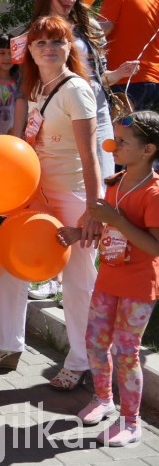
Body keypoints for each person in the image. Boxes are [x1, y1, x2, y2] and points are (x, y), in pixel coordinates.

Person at [0, 15, 102, 390]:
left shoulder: (76, 89)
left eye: (57, 42)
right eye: (40, 43)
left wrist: (95, 210)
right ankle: (7, 344)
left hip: (72, 197)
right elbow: (21, 145)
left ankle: (81, 360)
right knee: (12, 267)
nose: (49, 48)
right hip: (34, 193)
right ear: (28, 50)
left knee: (78, 282)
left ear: (69, 47)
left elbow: (90, 154)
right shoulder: (33, 88)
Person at [69, 110, 159, 447]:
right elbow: (109, 227)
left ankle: (131, 421)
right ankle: (103, 398)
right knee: (95, 341)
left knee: (125, 351)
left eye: (122, 142)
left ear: (148, 150)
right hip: (109, 278)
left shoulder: (154, 193)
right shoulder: (116, 182)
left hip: (138, 285)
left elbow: (154, 245)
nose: (113, 146)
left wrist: (116, 220)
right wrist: (79, 232)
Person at [32, 0, 134, 180]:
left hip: (95, 102)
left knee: (103, 169)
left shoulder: (88, 27)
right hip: (57, 105)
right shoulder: (37, 30)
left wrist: (120, 73)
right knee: (61, 174)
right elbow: (27, 81)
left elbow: (100, 77)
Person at [99, 0, 159, 112]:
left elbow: (102, 29)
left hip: (124, 78)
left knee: (119, 132)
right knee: (141, 132)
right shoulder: (156, 1)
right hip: (153, 79)